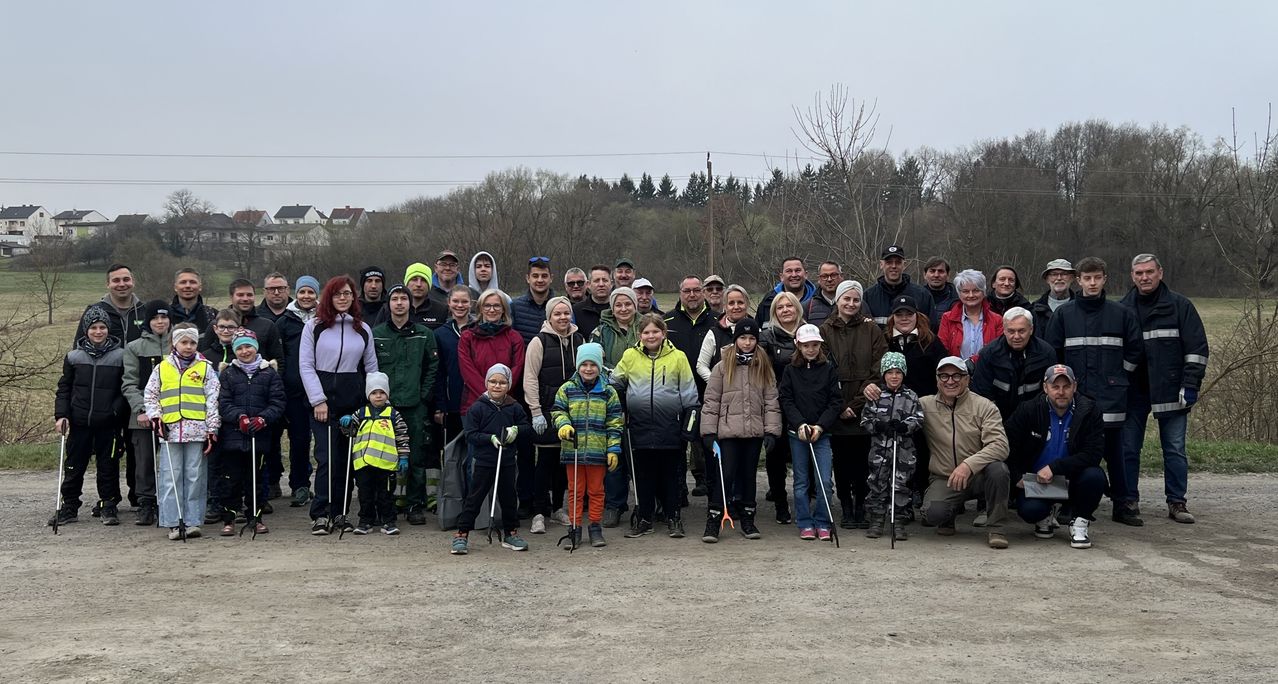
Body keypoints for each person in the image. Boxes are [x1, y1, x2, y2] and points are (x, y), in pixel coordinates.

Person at [1045, 256, 1144, 526]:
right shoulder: (1064, 314)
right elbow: (1054, 353)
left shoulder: (1122, 313)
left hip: (1112, 396)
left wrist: (1119, 375)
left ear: (1104, 279)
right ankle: (1070, 504)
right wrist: (1064, 386)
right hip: (1076, 396)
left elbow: (1135, 350)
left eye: (1097, 278)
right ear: (1078, 280)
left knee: (1116, 452)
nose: (1092, 283)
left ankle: (1123, 504)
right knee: (1072, 450)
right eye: (1087, 278)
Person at [1119, 254, 1208, 524]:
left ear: (1161, 272)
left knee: (1174, 449)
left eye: (1149, 272)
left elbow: (1197, 349)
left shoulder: (1180, 306)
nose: (1144, 277)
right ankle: (1128, 500)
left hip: (1171, 390)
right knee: (1128, 449)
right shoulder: (1122, 309)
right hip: (1134, 391)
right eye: (1139, 273)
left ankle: (1177, 502)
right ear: (1132, 276)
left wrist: (1190, 384)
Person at [299, 276, 379, 536]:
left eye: (347, 294)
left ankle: (340, 512)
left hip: (352, 403)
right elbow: (306, 365)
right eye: (337, 294)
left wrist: (372, 401)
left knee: (346, 461)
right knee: (327, 458)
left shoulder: (363, 329)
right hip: (322, 404)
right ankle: (321, 513)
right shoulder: (314, 327)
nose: (343, 298)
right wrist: (318, 400)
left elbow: (371, 368)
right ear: (328, 297)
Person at [612, 314, 699, 539]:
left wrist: (689, 427)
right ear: (639, 335)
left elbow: (690, 395)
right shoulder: (630, 356)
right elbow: (615, 383)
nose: (651, 336)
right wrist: (622, 406)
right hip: (639, 428)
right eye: (646, 332)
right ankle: (644, 518)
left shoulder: (678, 357)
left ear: (663, 333)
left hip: (670, 427)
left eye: (655, 331)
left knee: (671, 476)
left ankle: (673, 517)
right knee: (643, 476)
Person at [1005, 364, 1108, 549]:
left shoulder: (1090, 410)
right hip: (1038, 481)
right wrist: (1016, 476)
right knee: (1030, 511)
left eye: (1066, 386)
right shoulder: (1028, 409)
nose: (1061, 392)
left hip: (1073, 479)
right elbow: (1008, 446)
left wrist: (1055, 468)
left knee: (1095, 476)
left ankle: (1080, 522)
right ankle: (1045, 515)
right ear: (1045, 388)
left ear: (1075, 387)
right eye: (1055, 386)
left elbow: (1093, 453)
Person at [699, 317, 781, 543]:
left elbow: (771, 401)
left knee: (748, 476)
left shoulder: (764, 367)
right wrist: (708, 432)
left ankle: (748, 517)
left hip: (753, 432)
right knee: (725, 474)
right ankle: (714, 519)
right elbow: (711, 401)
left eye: (751, 338)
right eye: (743, 338)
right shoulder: (722, 367)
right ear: (736, 340)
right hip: (728, 432)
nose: (747, 342)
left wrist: (772, 431)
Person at [864, 294, 946, 520]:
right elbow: (873, 368)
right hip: (889, 409)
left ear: (916, 315)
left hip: (923, 407)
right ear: (893, 317)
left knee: (921, 453)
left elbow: (942, 371)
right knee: (890, 458)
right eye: (899, 314)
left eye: (908, 314)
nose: (904, 318)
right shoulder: (884, 340)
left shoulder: (930, 341)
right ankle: (889, 504)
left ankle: (919, 495)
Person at [919, 356, 1012, 549]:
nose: (950, 381)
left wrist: (968, 465)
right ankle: (948, 517)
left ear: (967, 379)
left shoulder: (984, 406)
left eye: (957, 376)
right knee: (932, 515)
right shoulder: (924, 405)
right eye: (944, 376)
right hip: (945, 478)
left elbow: (1000, 445)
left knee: (999, 470)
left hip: (979, 476)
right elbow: (898, 402)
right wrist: (873, 390)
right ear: (937, 380)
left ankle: (997, 528)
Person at [49, 307, 129, 527]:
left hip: (108, 423)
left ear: (108, 329)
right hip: (79, 421)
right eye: (93, 327)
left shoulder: (120, 356)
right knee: (74, 466)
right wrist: (62, 415)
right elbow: (65, 388)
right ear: (86, 331)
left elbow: (124, 389)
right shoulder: (74, 357)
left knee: (108, 467)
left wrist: (115, 411)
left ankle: (108, 504)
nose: (98, 331)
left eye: (102, 327)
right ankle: (69, 506)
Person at [144, 323, 221, 540]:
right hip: (169, 431)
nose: (188, 347)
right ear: (174, 343)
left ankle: (192, 520)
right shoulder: (162, 368)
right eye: (184, 342)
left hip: (197, 431)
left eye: (192, 342)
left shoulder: (205, 368)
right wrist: (156, 417)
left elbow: (213, 400)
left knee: (195, 476)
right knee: (171, 476)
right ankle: (172, 521)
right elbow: (151, 395)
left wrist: (212, 429)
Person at [819, 280, 886, 528]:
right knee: (841, 462)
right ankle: (846, 507)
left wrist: (856, 405)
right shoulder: (824, 331)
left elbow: (878, 368)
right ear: (837, 301)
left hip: (864, 408)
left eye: (855, 299)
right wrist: (839, 406)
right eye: (846, 299)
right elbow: (822, 371)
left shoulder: (871, 330)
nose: (851, 303)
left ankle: (861, 507)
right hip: (836, 408)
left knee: (862, 462)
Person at [371, 284, 439, 525]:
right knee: (382, 456)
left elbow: (432, 367)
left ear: (410, 303)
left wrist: (424, 395)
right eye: (395, 299)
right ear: (388, 304)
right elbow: (369, 367)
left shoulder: (424, 334)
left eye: (403, 299)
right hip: (384, 407)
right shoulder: (376, 334)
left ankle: (414, 504)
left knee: (415, 456)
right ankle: (384, 505)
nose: (399, 303)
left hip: (414, 405)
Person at [451, 363, 531, 554]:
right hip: (484, 461)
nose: (497, 386)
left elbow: (526, 427)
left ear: (508, 385)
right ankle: (462, 534)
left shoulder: (514, 407)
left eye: (502, 382)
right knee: (474, 499)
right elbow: (471, 435)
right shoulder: (477, 408)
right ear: (487, 383)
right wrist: (490, 439)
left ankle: (510, 533)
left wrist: (516, 430)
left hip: (507, 461)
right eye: (493, 381)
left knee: (509, 498)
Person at [552, 343, 624, 550]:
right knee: (575, 491)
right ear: (578, 366)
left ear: (599, 366)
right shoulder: (567, 389)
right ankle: (574, 528)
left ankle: (595, 527)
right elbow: (558, 411)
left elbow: (615, 423)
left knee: (596, 491)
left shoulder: (608, 392)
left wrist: (613, 449)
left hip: (597, 451)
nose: (589, 368)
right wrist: (563, 424)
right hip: (572, 451)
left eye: (593, 364)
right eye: (584, 364)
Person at [215, 329, 286, 536]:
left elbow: (278, 402)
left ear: (256, 348)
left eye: (248, 347)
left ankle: (255, 517)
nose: (244, 351)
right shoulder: (228, 373)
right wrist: (239, 417)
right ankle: (229, 518)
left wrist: (263, 418)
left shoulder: (269, 373)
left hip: (259, 436)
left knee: (256, 480)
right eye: (239, 348)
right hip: (233, 436)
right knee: (231, 480)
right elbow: (223, 402)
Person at [523, 296, 583, 533]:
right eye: (557, 314)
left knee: (563, 462)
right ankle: (539, 512)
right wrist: (535, 411)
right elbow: (530, 377)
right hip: (547, 409)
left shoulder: (579, 339)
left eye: (566, 313)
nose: (562, 317)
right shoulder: (538, 342)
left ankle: (558, 507)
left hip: (572, 410)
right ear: (549, 317)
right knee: (545, 462)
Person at [778, 324, 842, 542]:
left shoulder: (828, 369)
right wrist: (799, 424)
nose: (811, 349)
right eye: (806, 345)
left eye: (815, 345)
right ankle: (805, 521)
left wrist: (820, 426)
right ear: (798, 346)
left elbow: (835, 402)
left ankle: (823, 521)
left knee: (824, 481)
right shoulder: (790, 370)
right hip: (798, 434)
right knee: (801, 482)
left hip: (821, 433)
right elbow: (786, 400)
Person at [860, 352, 924, 541]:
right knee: (877, 483)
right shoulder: (876, 395)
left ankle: (899, 521)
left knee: (900, 485)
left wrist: (905, 426)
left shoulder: (911, 396)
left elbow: (919, 419)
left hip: (904, 450)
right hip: (880, 450)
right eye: (890, 372)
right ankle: (877, 519)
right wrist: (879, 425)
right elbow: (865, 420)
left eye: (898, 372)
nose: (894, 376)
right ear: (883, 374)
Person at [338, 372, 412, 536]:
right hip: (363, 463)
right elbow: (350, 433)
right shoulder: (361, 413)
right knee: (365, 494)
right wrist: (347, 424)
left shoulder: (393, 415)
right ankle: (365, 521)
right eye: (374, 393)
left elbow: (402, 437)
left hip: (386, 464)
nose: (378, 396)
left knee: (385, 495)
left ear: (387, 394)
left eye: (382, 392)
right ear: (368, 395)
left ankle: (388, 521)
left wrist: (404, 457)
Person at [120, 299, 171, 526]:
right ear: (147, 322)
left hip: (173, 414)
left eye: (164, 317)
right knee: (144, 461)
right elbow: (129, 383)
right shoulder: (134, 347)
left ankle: (170, 502)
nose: (160, 322)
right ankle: (146, 502)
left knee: (173, 461)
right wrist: (142, 409)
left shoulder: (179, 344)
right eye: (155, 318)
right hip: (143, 417)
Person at [664, 275, 715, 498]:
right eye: (687, 291)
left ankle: (708, 485)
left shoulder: (716, 320)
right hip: (675, 394)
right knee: (677, 444)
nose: (692, 295)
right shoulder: (667, 322)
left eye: (696, 290)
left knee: (705, 442)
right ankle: (678, 489)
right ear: (680, 293)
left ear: (703, 292)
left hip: (708, 392)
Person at [758, 291, 804, 524]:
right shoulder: (766, 337)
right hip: (775, 404)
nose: (785, 310)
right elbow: (761, 371)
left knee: (802, 456)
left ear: (797, 308)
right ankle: (780, 504)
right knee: (775, 456)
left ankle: (805, 504)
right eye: (780, 307)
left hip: (804, 404)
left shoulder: (809, 333)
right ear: (774, 312)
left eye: (789, 306)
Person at [276, 274, 320, 507]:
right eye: (302, 291)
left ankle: (325, 485)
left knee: (322, 441)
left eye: (310, 292)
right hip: (294, 390)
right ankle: (300, 485)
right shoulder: (284, 321)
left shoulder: (325, 318)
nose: (306, 296)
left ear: (317, 294)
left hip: (321, 389)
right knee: (299, 439)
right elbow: (280, 357)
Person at [970, 306, 1057, 420]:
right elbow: (982, 395)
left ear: (1031, 329)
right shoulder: (989, 355)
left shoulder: (1046, 354)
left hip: (1035, 418)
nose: (1016, 336)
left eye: (1021, 331)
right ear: (1004, 330)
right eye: (1011, 331)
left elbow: (1050, 392)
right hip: (998, 419)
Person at [458, 289, 525, 415]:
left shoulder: (514, 338)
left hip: (505, 405)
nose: (492, 310)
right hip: (474, 403)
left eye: (497, 305)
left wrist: (499, 394)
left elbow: (516, 369)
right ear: (481, 309)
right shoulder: (467, 337)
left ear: (504, 309)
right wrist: (488, 396)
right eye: (487, 305)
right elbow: (468, 371)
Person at [432, 285, 474, 459]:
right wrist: (440, 406)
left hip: (476, 401)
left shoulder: (479, 329)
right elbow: (438, 372)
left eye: (464, 301)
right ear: (448, 303)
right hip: (452, 403)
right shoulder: (440, 334)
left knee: (474, 453)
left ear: (471, 304)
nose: (460, 305)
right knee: (453, 454)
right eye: (455, 301)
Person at [202, 279, 284, 362]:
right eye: (240, 295)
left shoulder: (267, 325)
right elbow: (203, 357)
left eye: (249, 295)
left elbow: (278, 360)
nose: (245, 299)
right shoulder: (218, 325)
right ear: (231, 297)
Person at [938, 269, 1003, 360]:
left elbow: (999, 351)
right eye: (965, 291)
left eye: (976, 290)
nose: (971, 295)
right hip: (955, 369)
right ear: (959, 294)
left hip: (988, 368)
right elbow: (942, 351)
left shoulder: (997, 320)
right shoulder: (947, 318)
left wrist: (973, 362)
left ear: (983, 292)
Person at [74, 263, 146, 344]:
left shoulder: (145, 310)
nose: (122, 284)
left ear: (133, 282)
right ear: (108, 284)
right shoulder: (93, 311)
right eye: (116, 280)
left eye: (126, 279)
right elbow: (79, 345)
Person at [864, 245, 929, 328]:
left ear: (904, 265)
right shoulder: (868, 296)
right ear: (881, 264)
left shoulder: (922, 295)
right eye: (889, 262)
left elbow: (931, 328)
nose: (894, 266)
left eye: (898, 262)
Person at [696, 284, 751, 382]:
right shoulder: (714, 333)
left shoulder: (757, 331)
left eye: (740, 302)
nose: (736, 307)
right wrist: (717, 383)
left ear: (747, 304)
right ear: (725, 306)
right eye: (731, 303)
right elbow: (701, 366)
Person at [756, 256, 816, 327]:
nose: (794, 275)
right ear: (781, 277)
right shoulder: (769, 301)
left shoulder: (817, 299)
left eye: (797, 270)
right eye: (789, 271)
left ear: (806, 274)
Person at [590, 286, 639, 370]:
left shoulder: (646, 328)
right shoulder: (600, 332)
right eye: (618, 305)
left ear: (635, 306)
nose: (623, 309)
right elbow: (595, 358)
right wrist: (616, 373)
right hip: (610, 376)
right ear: (612, 309)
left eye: (628, 304)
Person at [510, 256, 555, 343]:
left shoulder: (559, 306)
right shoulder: (515, 307)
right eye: (535, 276)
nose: (540, 280)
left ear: (551, 278)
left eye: (544, 276)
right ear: (528, 278)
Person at [1030, 259, 1076, 336]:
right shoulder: (1035, 310)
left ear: (1072, 278)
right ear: (1047, 279)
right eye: (1054, 274)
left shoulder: (1082, 307)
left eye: (1064, 274)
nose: (1059, 278)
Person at [169, 267, 219, 333]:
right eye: (183, 282)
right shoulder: (165, 315)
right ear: (175, 287)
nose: (188, 286)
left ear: (200, 287)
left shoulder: (213, 315)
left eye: (193, 282)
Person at [404, 262, 449, 329]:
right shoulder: (394, 309)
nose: (418, 284)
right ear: (406, 283)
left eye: (423, 280)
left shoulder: (441, 310)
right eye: (414, 279)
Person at [572, 265, 612, 338]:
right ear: (588, 284)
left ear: (611, 284)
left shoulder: (619, 310)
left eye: (605, 280)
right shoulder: (576, 311)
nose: (601, 284)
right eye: (596, 280)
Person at [921, 256, 958, 328]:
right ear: (925, 275)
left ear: (948, 275)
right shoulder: (917, 297)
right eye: (932, 271)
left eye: (941, 271)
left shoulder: (958, 299)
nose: (936, 275)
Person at [805, 261, 842, 328]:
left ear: (841, 276)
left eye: (833, 275)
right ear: (819, 279)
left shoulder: (853, 304)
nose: (829, 279)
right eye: (824, 276)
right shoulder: (807, 307)